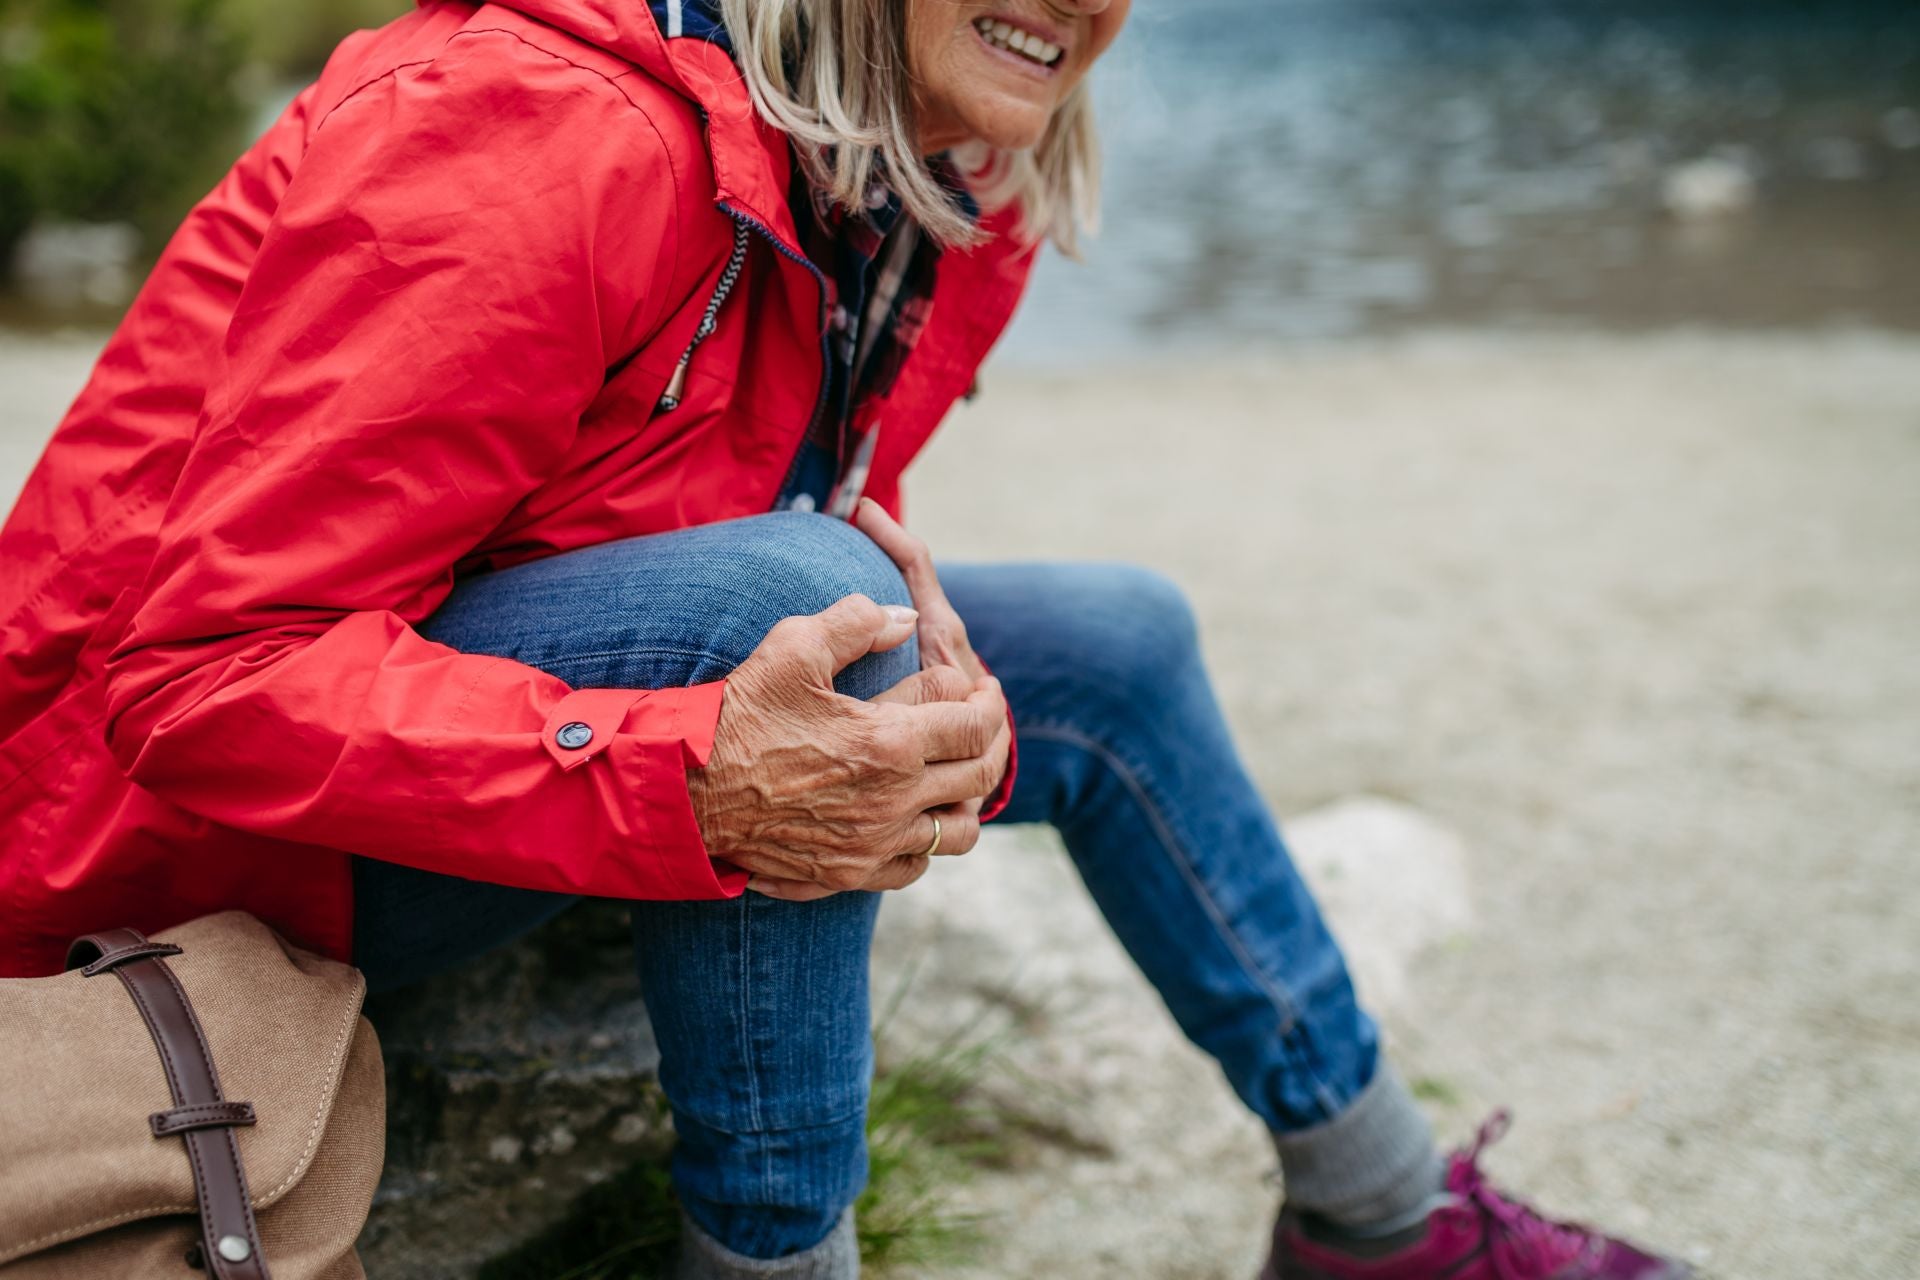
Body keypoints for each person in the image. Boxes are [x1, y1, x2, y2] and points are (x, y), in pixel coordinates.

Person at [0, 1, 1692, 1276]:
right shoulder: (540, 124)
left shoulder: (945, 195)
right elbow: (195, 682)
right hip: (153, 843)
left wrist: (917, 728)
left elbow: (700, 548)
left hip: (462, 746)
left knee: (1113, 639)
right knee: (800, 604)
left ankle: (1384, 1222)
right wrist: (694, 775)